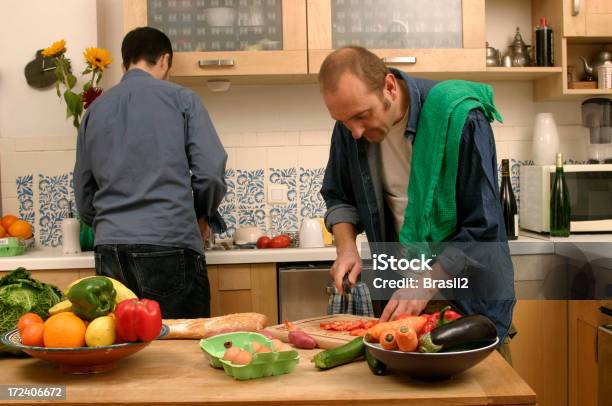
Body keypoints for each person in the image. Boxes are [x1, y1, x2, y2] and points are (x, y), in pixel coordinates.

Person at [319, 46, 515, 357]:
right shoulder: (350, 126)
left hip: (468, 305)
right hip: (400, 299)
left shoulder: (461, 118)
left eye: (361, 116)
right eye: (343, 121)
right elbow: (339, 193)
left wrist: (424, 283)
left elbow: (484, 228)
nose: (354, 131)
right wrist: (346, 248)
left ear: (389, 87)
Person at [74, 27, 227, 319]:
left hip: (110, 251)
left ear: (124, 64)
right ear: (164, 59)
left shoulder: (94, 110)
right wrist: (201, 214)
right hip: (170, 244)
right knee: (181, 352)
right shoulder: (183, 100)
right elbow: (210, 173)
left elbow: (83, 192)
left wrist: (110, 223)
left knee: (122, 352)